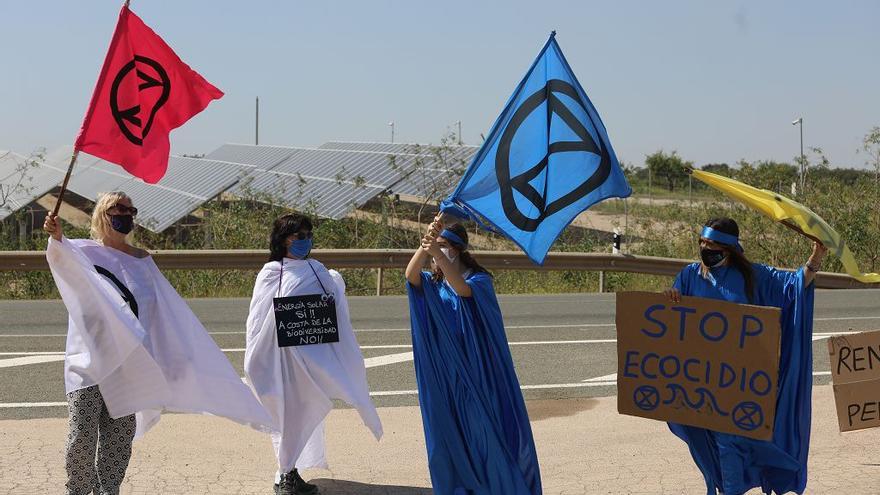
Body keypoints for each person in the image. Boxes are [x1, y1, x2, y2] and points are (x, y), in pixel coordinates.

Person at [43, 191, 275, 495]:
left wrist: (173, 355)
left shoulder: (143, 260)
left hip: (131, 364)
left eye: (130, 209)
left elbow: (165, 312)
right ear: (102, 213)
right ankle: (79, 491)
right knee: (81, 436)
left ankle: (108, 491)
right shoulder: (83, 252)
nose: (126, 214)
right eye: (118, 208)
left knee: (117, 439)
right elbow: (62, 259)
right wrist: (56, 235)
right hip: (87, 361)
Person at [663, 217, 827, 495]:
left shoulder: (753, 276)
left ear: (728, 249)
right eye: (701, 242)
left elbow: (794, 286)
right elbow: (673, 311)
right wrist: (669, 299)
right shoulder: (690, 275)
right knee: (715, 444)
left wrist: (816, 256)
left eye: (712, 244)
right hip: (702, 379)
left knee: (729, 442)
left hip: (739, 382)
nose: (705, 248)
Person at [244, 213, 382, 495]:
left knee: (305, 412)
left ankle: (288, 472)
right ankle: (286, 473)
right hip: (280, 361)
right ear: (283, 240)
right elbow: (258, 319)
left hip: (311, 362)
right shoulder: (272, 273)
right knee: (285, 415)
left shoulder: (318, 270)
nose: (306, 241)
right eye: (299, 236)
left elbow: (333, 306)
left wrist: (335, 282)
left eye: (308, 235)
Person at [404, 215, 542, 495]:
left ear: (455, 250)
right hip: (447, 371)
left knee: (483, 433)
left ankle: (497, 485)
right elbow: (411, 276)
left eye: (442, 246)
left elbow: (463, 291)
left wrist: (437, 254)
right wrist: (426, 242)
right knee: (450, 433)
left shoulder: (479, 280)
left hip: (477, 371)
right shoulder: (434, 283)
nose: (435, 252)